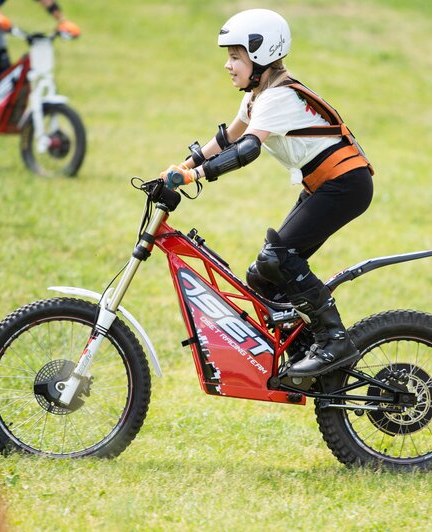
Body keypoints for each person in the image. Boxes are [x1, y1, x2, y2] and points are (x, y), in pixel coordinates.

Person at [160, 9, 375, 378]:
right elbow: (228, 137)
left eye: (235, 57)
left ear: (259, 56)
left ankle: (334, 341)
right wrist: (179, 167)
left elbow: (246, 149)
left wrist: (195, 175)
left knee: (280, 257)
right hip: (324, 184)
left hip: (345, 184)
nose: (228, 65)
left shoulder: (277, 99)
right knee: (263, 273)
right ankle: (305, 346)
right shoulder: (257, 96)